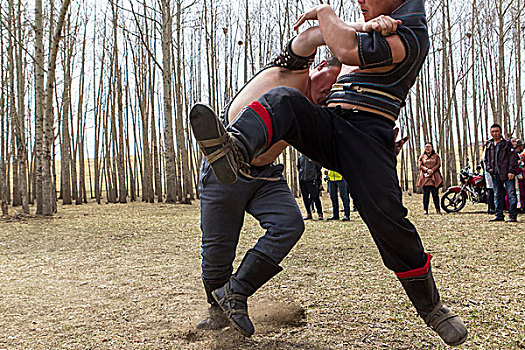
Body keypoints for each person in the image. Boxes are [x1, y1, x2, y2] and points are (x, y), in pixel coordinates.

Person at [190, 0, 467, 346]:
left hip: (367, 136)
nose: (360, 2)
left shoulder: (412, 33)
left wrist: (325, 12)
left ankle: (433, 309)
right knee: (285, 102)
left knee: (388, 219)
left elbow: (348, 49)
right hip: (332, 127)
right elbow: (318, 44)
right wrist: (355, 25)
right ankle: (234, 150)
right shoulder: (332, 51)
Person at [194, 28, 342, 333]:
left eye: (341, 91)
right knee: (216, 255)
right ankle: (218, 313)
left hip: (265, 176)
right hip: (225, 167)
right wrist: (351, 33)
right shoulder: (294, 68)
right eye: (335, 81)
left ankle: (236, 292)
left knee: (290, 224)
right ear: (322, 67)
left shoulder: (314, 113)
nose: (333, 92)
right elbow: (310, 38)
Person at [483, 124, 518, 222]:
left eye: (497, 131)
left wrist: (511, 171)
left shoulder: (507, 144)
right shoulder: (489, 145)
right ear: (490, 133)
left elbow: (513, 158)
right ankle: (499, 215)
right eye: (493, 131)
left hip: (507, 173)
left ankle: (512, 215)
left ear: (500, 132)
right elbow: (486, 159)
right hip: (494, 174)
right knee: (497, 194)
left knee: (511, 194)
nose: (495, 133)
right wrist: (489, 170)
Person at [416, 143, 442, 214]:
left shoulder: (436, 156)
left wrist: (432, 170)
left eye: (429, 147)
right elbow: (420, 165)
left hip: (434, 177)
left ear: (432, 148)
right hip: (425, 177)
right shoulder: (422, 156)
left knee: (435, 194)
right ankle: (425, 210)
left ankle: (437, 209)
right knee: (426, 195)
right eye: (426, 147)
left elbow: (438, 164)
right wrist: (427, 170)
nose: (427, 148)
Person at [298, 154, 323, 220]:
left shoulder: (313, 157)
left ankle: (320, 214)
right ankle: (309, 214)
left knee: (315, 197)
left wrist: (314, 176)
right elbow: (299, 167)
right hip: (302, 180)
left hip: (312, 180)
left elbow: (318, 167)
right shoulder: (300, 157)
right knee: (305, 197)